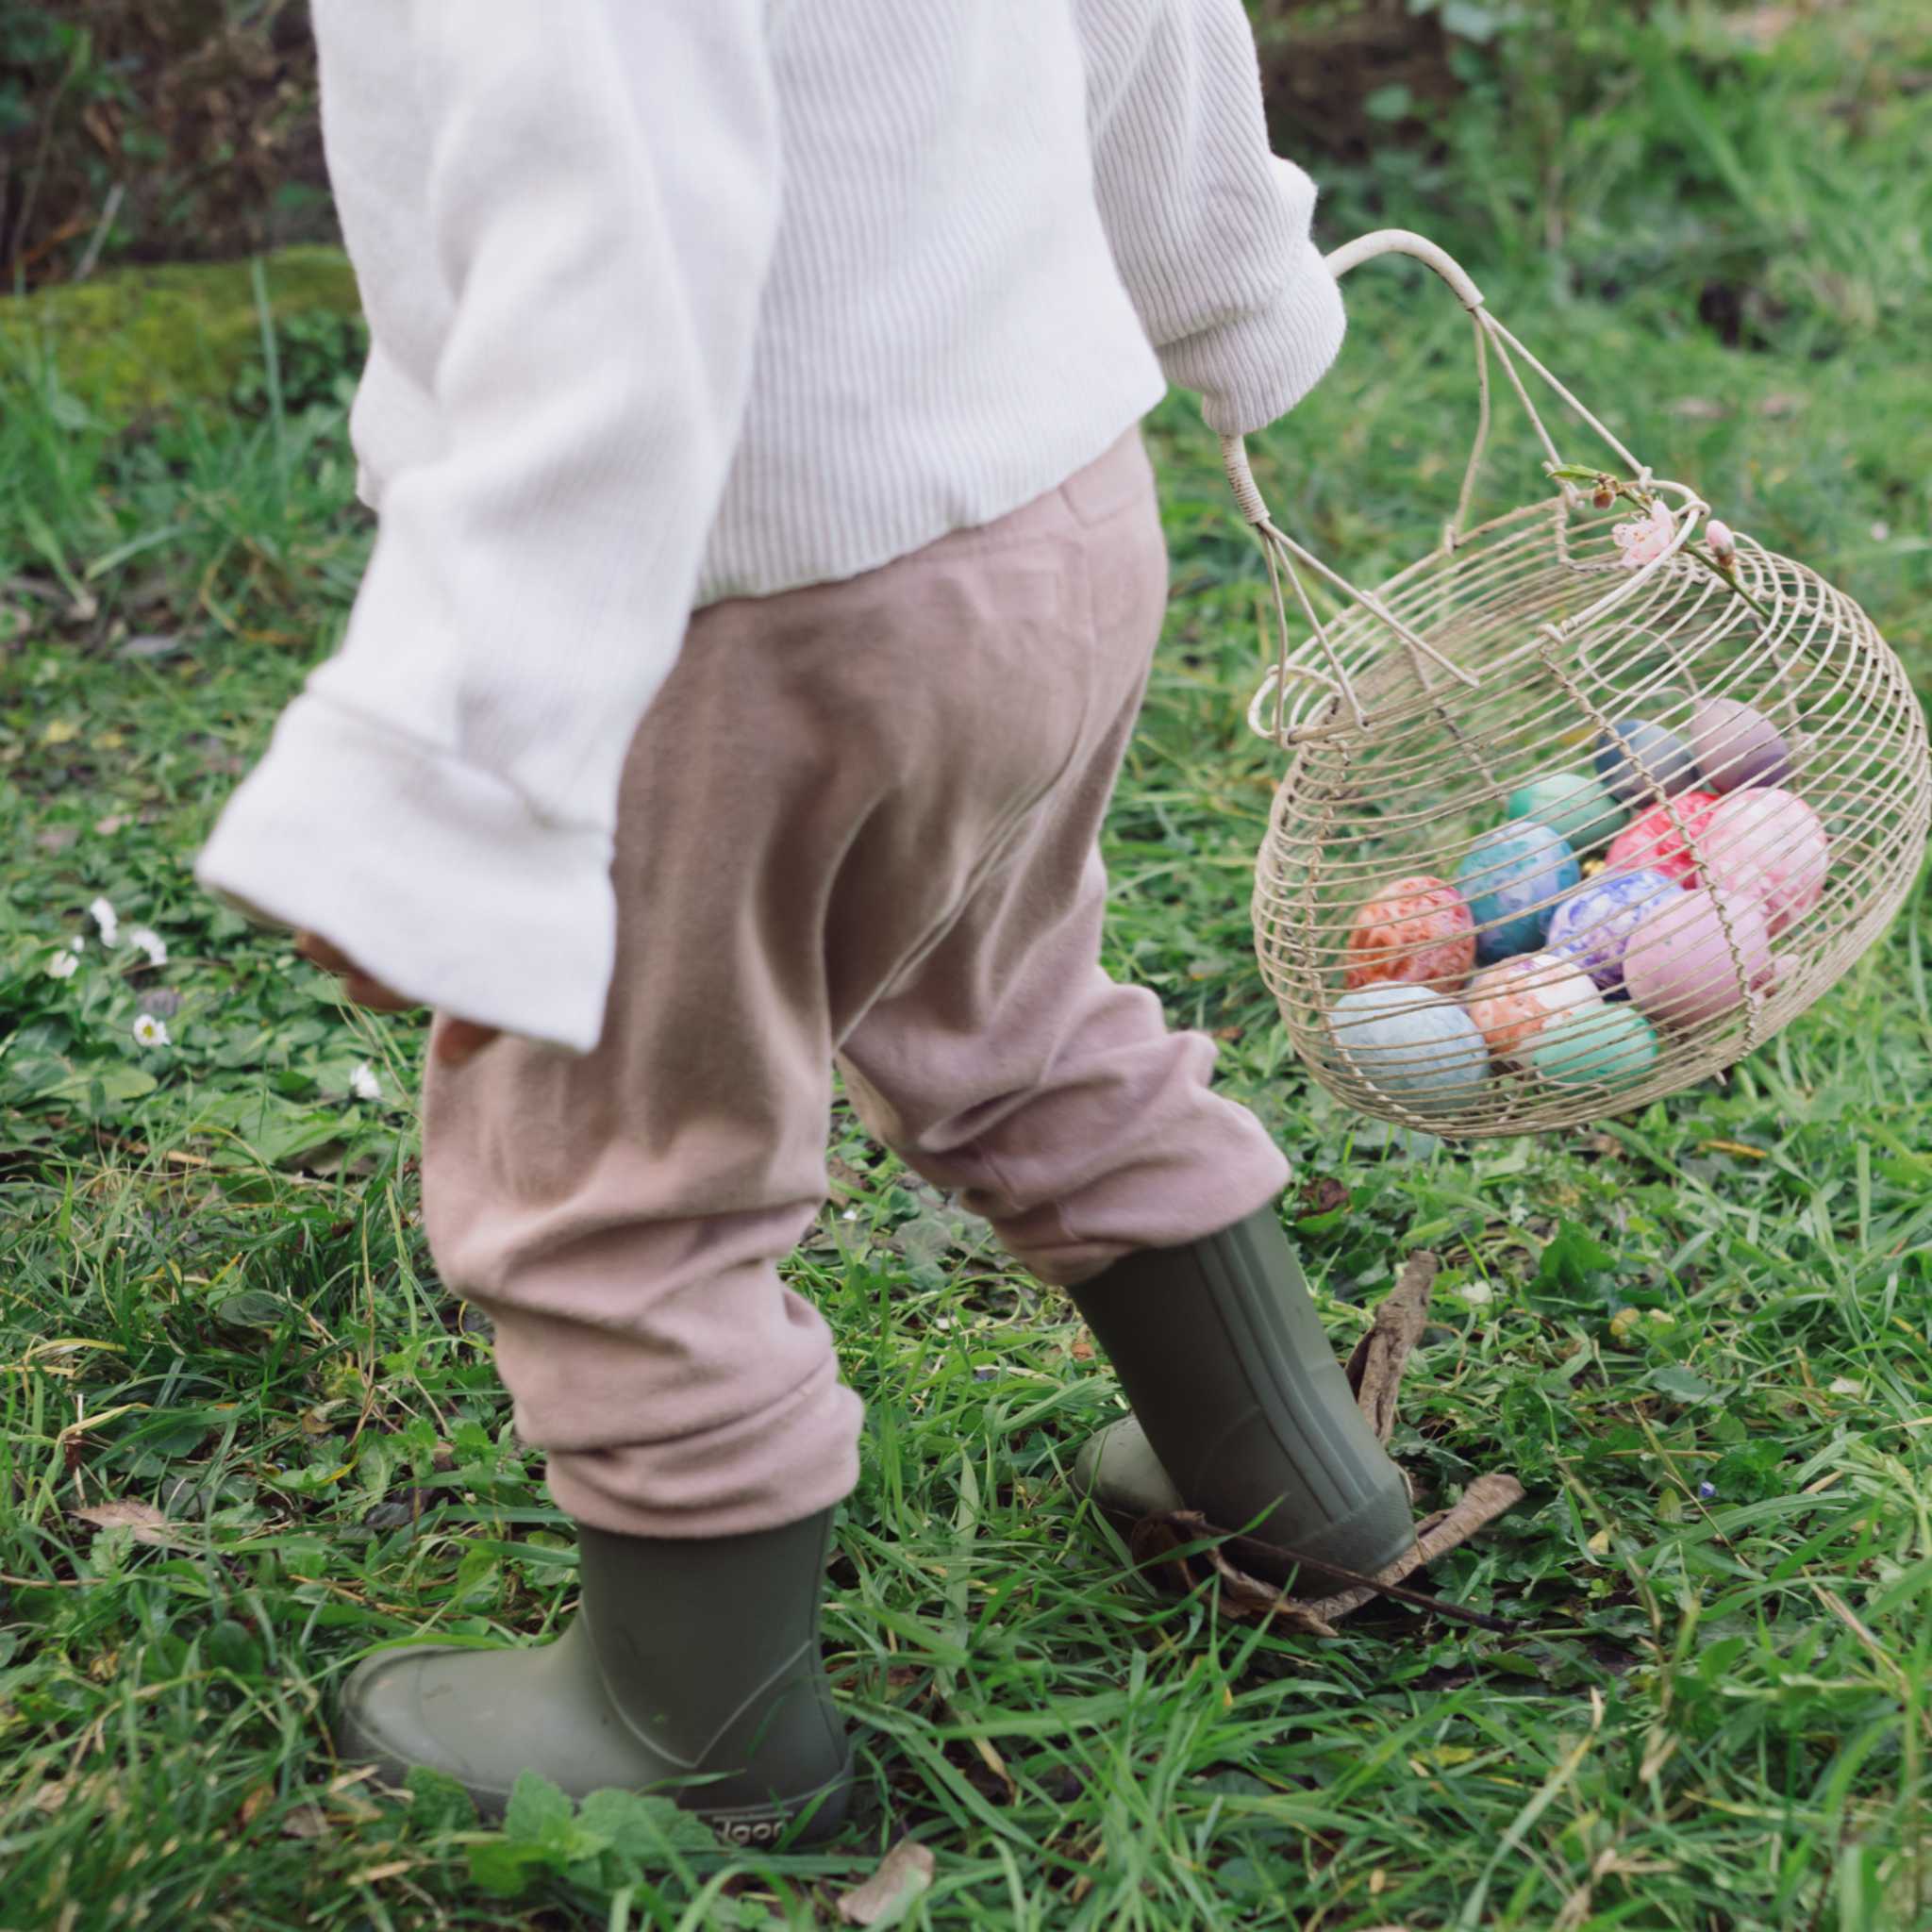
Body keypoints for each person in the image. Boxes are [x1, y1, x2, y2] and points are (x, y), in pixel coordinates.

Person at [195, 0, 1416, 1847]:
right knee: (1017, 998)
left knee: (621, 1143)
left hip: (756, 593)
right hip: (1049, 504)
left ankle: (693, 1723)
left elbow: (611, 270)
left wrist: (444, 776)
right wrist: (1222, 279)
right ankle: (1288, 1479)